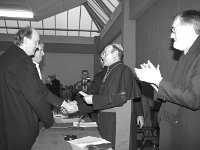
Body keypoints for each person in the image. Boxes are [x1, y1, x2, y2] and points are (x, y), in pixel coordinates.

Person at [0, 26, 75, 150]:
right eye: (35, 43)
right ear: (26, 40)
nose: (36, 47)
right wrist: (49, 120)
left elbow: (40, 88)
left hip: (6, 124)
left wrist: (63, 104)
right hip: (21, 126)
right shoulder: (23, 60)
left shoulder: (4, 58)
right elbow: (35, 96)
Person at [134, 10, 200, 150]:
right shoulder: (186, 55)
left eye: (174, 29)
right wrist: (155, 82)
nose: (171, 35)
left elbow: (194, 99)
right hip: (176, 129)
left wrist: (159, 81)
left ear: (189, 29)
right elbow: (179, 92)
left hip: (188, 135)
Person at [74, 44, 144, 150]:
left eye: (105, 54)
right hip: (107, 118)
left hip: (118, 120)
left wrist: (93, 99)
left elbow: (120, 97)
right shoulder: (110, 71)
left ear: (115, 54)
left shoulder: (123, 70)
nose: (102, 57)